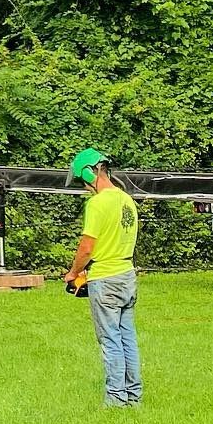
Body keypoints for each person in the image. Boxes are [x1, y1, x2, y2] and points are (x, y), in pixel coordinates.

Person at [64, 147, 142, 407]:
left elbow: (87, 246)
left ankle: (115, 400)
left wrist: (74, 272)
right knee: (127, 337)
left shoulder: (97, 203)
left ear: (90, 173)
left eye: (81, 180)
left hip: (105, 279)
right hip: (127, 274)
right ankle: (134, 396)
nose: (84, 187)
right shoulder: (126, 199)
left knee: (110, 340)